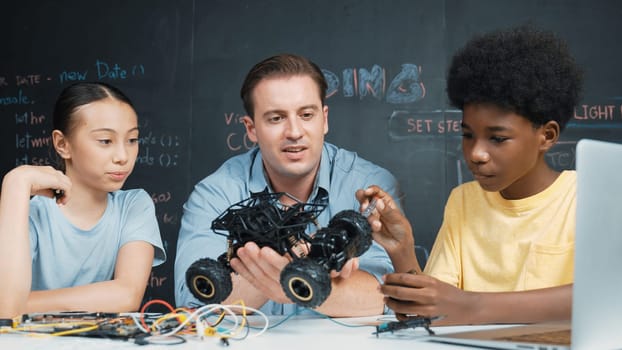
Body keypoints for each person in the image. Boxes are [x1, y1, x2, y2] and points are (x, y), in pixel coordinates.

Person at [357, 25, 583, 325]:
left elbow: (604, 298)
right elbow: (429, 314)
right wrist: (402, 249)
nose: (476, 153)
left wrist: (473, 306)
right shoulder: (463, 202)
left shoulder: (587, 198)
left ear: (547, 136)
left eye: (498, 138)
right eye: (467, 135)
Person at [174, 53, 400, 317]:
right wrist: (295, 270)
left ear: (324, 119)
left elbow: (386, 297)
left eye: (306, 114)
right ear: (251, 128)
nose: (294, 132)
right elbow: (195, 304)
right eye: (276, 118)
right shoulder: (214, 194)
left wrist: (295, 281)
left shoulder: (368, 186)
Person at [0, 82, 166, 319]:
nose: (123, 156)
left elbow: (126, 296)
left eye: (132, 140)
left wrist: (25, 303)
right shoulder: (28, 212)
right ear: (62, 144)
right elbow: (6, 309)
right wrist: (16, 182)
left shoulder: (134, 205)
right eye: (105, 141)